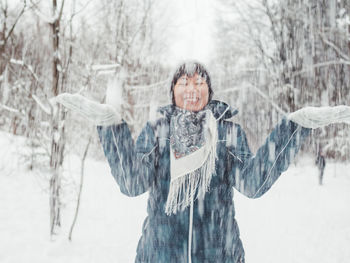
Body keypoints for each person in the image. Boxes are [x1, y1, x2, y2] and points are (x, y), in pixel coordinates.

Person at [96, 62, 312, 263]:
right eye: (184, 83)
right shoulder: (157, 131)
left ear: (209, 92)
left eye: (199, 83)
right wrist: (111, 129)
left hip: (219, 255)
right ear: (173, 92)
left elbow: (252, 184)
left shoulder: (227, 133)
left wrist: (293, 129)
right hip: (160, 255)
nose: (192, 89)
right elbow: (132, 183)